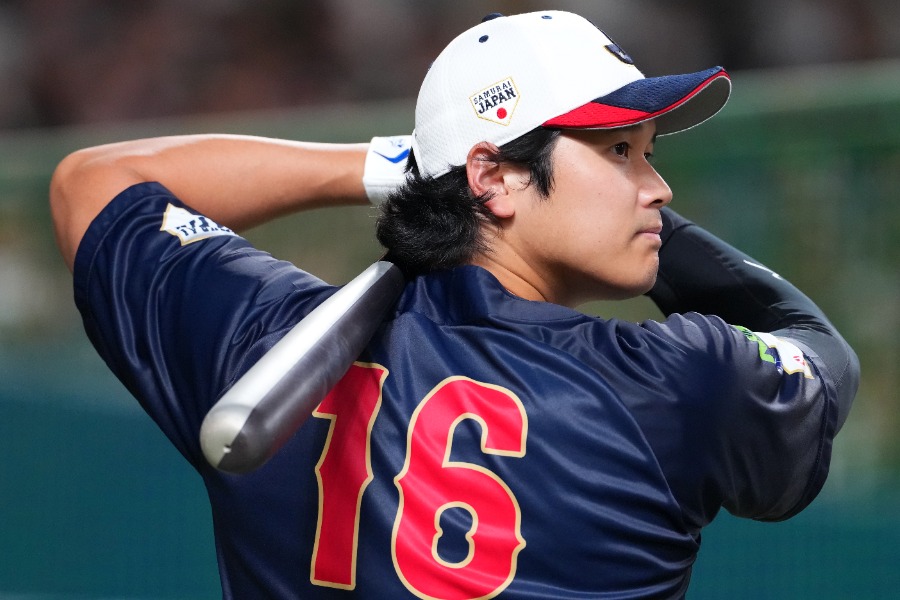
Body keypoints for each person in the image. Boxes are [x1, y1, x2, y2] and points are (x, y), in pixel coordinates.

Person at [49, 10, 858, 600]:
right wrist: (657, 246)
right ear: (493, 177)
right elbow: (816, 348)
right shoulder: (678, 382)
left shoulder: (260, 338)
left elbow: (94, 184)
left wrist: (384, 169)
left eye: (647, 154)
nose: (659, 189)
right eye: (619, 152)